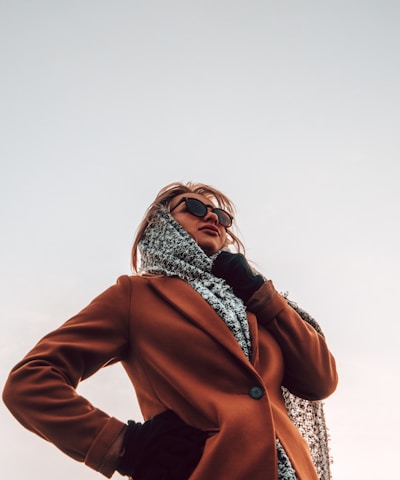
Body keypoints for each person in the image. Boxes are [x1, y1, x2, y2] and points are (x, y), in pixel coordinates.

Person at [3, 181, 338, 480]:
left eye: (221, 216)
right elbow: (30, 382)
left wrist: (259, 293)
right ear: (162, 223)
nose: (211, 218)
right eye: (193, 207)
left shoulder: (255, 303)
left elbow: (320, 379)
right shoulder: (135, 296)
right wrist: (125, 446)